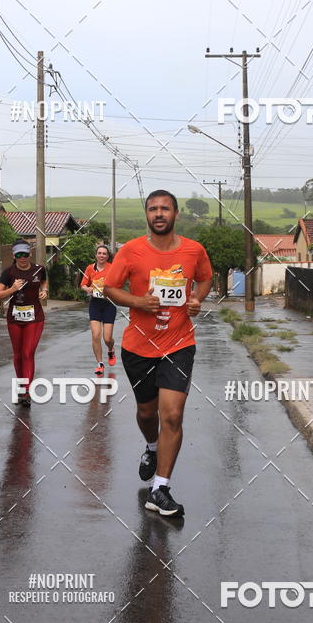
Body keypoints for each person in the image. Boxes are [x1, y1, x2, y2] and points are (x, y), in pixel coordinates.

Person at [104, 190, 212, 517]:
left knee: (173, 415)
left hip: (179, 344)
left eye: (165, 208)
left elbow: (205, 279)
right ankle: (152, 447)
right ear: (147, 215)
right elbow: (110, 288)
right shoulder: (131, 250)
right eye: (153, 209)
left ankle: (160, 489)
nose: (159, 213)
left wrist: (197, 299)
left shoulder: (194, 250)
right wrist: (138, 302)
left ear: (176, 214)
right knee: (147, 414)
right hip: (138, 347)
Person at [0, 239, 48, 406]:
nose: (22, 258)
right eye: (18, 255)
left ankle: (26, 391)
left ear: (30, 253)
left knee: (27, 352)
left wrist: (44, 290)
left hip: (35, 318)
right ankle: (21, 387)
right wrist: (12, 289)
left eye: (25, 254)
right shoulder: (8, 273)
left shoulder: (39, 269)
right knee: (18, 354)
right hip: (15, 318)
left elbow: (44, 281)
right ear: (14, 255)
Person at [80, 243, 117, 376]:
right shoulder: (90, 268)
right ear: (96, 255)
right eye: (99, 253)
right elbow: (83, 285)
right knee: (96, 335)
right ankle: (100, 364)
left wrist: (109, 290)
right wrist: (88, 289)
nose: (101, 255)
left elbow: (117, 284)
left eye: (104, 253)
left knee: (107, 338)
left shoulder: (112, 268)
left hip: (109, 304)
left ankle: (111, 350)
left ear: (108, 256)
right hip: (95, 304)